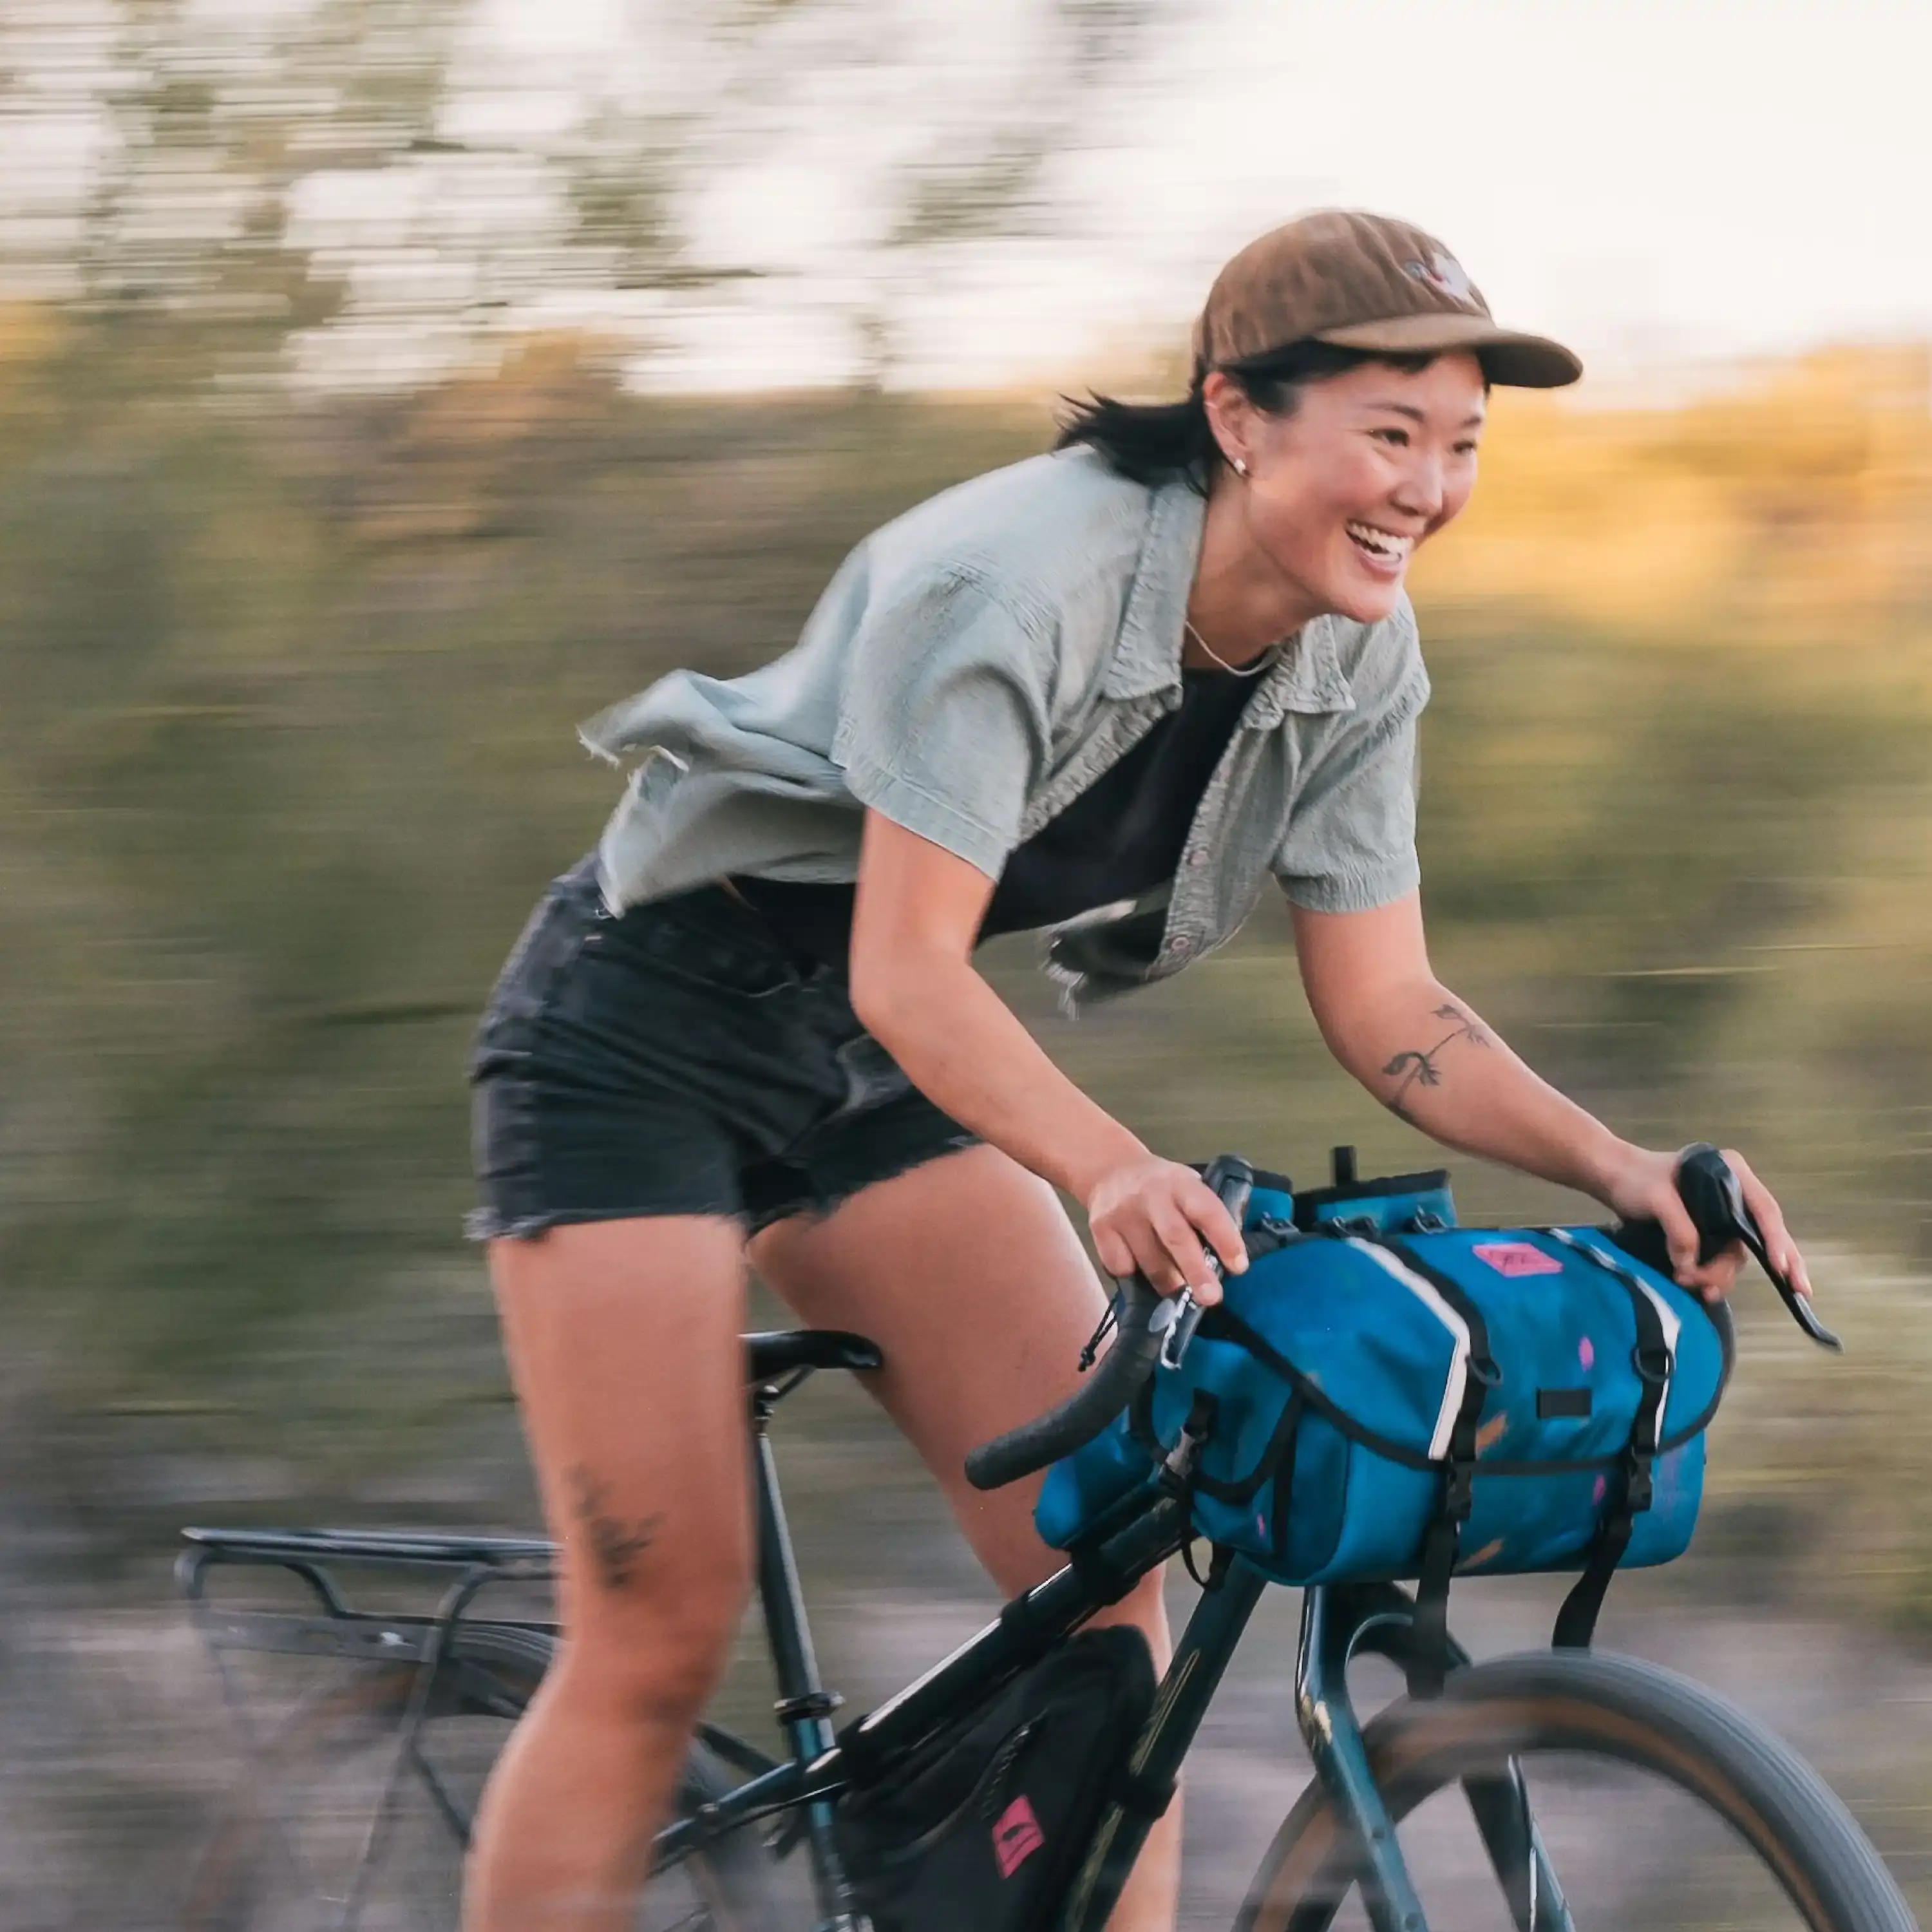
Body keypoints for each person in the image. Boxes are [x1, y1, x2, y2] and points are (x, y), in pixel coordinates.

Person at [460, 209, 1813, 1932]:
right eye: (1390, 433)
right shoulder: (1017, 585)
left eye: (1463, 444)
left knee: (1099, 1575)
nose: (1428, 489)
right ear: (1238, 414)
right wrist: (1107, 1164)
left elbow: (1389, 1004)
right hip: (637, 1031)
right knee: (658, 1632)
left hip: (867, 1055)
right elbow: (906, 965)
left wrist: (1618, 1166)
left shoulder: (1356, 650)